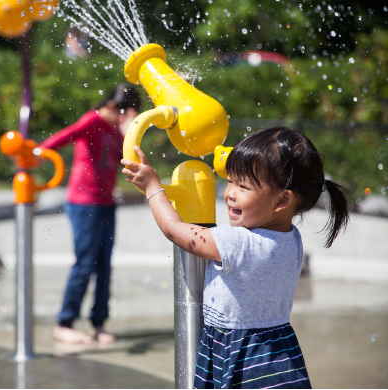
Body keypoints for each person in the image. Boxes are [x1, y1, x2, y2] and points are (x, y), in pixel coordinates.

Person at [122, 127, 350, 389]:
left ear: (282, 200)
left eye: (243, 186)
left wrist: (153, 188)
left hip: (240, 356)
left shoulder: (237, 242)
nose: (229, 193)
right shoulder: (292, 238)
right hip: (279, 351)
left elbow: (175, 231)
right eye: (230, 181)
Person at [39, 84, 141, 345]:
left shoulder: (116, 131)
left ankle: (98, 324)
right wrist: (38, 154)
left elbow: (128, 161)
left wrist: (129, 134)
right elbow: (66, 135)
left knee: (104, 265)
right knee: (85, 264)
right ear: (108, 105)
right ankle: (64, 323)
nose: (119, 117)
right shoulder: (93, 120)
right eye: (118, 111)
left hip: (106, 203)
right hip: (84, 204)